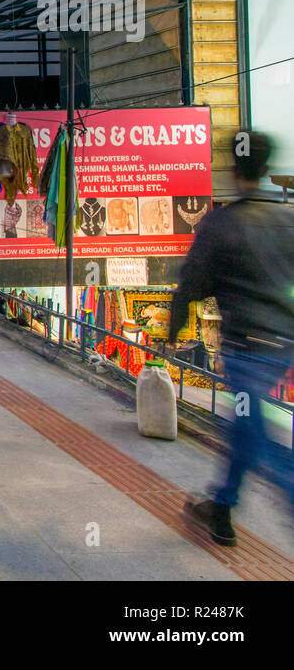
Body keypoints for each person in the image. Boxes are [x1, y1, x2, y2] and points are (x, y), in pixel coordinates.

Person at [172, 132, 294, 547]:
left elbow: (193, 280)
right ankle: (222, 506)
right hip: (283, 343)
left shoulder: (221, 222)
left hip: (245, 347)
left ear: (233, 168)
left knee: (256, 435)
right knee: (245, 426)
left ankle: (228, 503)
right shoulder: (288, 217)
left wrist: (173, 326)